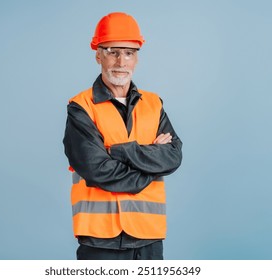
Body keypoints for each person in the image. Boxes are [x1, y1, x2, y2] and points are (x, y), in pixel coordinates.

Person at [63, 12, 183, 260]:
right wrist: (148, 171)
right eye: (112, 51)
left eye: (129, 52)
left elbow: (172, 157)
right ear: (98, 54)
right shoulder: (81, 107)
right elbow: (97, 170)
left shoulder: (153, 104)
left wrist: (120, 150)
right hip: (100, 241)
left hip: (149, 238)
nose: (121, 61)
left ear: (137, 58)